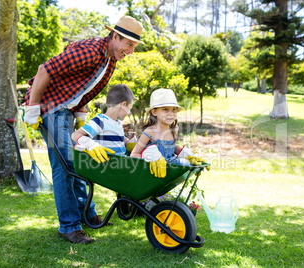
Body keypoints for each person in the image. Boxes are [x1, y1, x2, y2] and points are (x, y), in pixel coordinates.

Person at [23, 16, 145, 244]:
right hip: (50, 107)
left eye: (134, 47)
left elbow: (84, 89)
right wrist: (33, 109)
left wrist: (80, 113)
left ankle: (88, 215)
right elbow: (44, 70)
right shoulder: (90, 51)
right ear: (115, 36)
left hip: (66, 109)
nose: (131, 50)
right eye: (129, 44)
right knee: (66, 166)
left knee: (79, 163)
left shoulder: (110, 63)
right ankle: (69, 226)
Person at [130, 88, 209, 178]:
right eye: (165, 109)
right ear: (154, 112)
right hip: (154, 170)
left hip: (171, 167)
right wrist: (149, 160)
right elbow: (134, 154)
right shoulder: (150, 131)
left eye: (174, 109)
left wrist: (189, 156)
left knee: (186, 163)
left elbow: (171, 146)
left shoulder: (174, 129)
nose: (171, 113)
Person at [71, 84, 136, 160]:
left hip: (117, 165)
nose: (129, 112)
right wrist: (91, 145)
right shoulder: (100, 121)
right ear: (123, 104)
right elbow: (75, 134)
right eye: (129, 108)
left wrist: (127, 143)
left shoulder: (117, 123)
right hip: (104, 167)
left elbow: (115, 137)